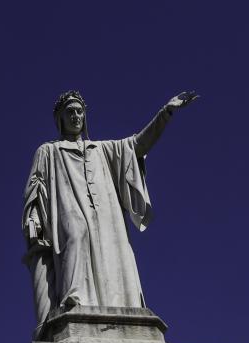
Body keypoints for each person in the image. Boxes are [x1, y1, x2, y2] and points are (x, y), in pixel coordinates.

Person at [23, 90, 198, 327]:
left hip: (106, 215)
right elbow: (36, 186)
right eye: (70, 112)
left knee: (113, 250)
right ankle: (73, 300)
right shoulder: (48, 151)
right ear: (60, 119)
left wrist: (165, 113)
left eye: (79, 112)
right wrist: (33, 219)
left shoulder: (103, 149)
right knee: (75, 236)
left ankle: (121, 306)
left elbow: (139, 144)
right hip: (68, 206)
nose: (75, 116)